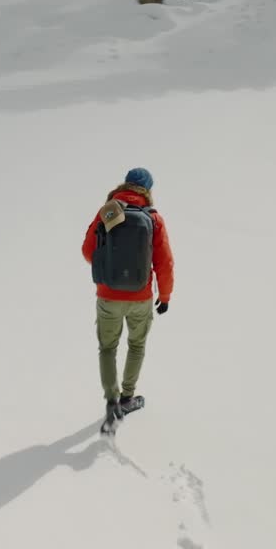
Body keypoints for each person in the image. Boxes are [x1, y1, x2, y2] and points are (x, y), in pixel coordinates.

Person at [82, 167, 174, 422]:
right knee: (136, 345)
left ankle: (111, 402)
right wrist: (164, 296)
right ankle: (127, 398)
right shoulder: (153, 218)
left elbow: (88, 251)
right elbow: (164, 263)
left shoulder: (110, 211)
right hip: (141, 298)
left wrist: (111, 268)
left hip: (108, 297)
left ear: (125, 184)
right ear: (148, 190)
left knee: (108, 348)